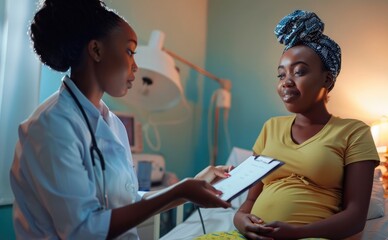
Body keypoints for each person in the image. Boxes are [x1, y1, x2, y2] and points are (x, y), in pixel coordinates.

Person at [9, 0, 232, 239]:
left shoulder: (112, 123)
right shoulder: (50, 127)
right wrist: (178, 192)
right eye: (129, 51)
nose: (135, 66)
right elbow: (84, 231)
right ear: (96, 50)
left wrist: (187, 188)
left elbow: (127, 202)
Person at [196, 10, 380, 240]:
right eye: (281, 75)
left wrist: (297, 233)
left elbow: (355, 217)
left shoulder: (354, 132)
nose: (286, 82)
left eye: (299, 71)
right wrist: (242, 221)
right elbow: (250, 202)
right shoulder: (270, 128)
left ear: (327, 79)